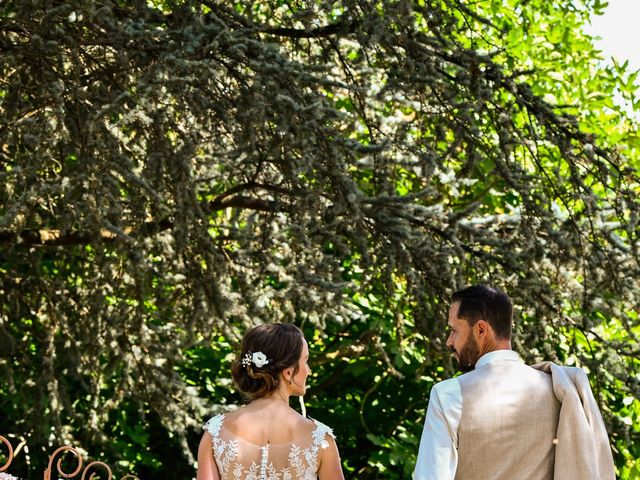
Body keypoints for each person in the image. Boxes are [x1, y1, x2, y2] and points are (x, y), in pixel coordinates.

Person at [413, 285, 615, 480]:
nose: (449, 341)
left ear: (481, 329)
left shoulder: (448, 394)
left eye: (455, 331)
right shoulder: (559, 392)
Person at [197, 323, 345, 480]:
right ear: (288, 372)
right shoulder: (321, 439)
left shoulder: (215, 432)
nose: (309, 370)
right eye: (305, 361)